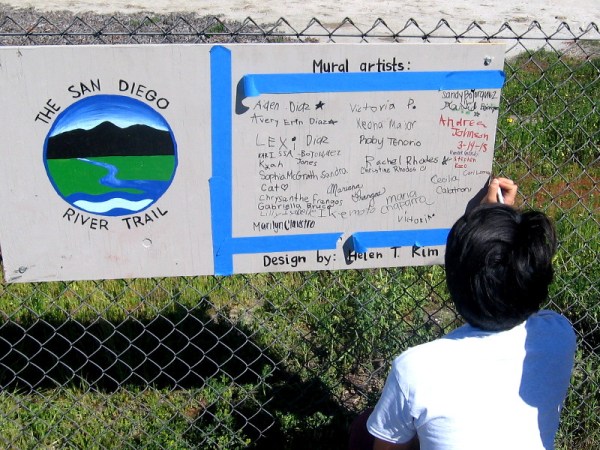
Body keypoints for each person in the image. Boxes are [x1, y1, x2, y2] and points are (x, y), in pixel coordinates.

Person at [349, 177, 577, 450]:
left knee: (364, 432)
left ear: (453, 282)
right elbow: (522, 291)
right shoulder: (559, 335)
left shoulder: (415, 369)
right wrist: (497, 222)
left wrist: (487, 222)